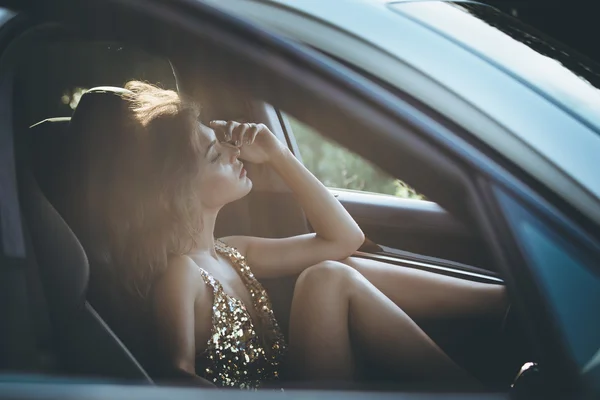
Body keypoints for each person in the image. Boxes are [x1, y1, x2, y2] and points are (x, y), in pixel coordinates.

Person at [69, 81, 491, 390]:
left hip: (294, 385)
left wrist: (279, 155)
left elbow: (345, 239)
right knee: (326, 278)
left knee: (336, 269)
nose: (234, 152)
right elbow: (173, 375)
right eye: (217, 155)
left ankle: (503, 307)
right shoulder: (182, 274)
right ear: (176, 193)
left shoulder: (231, 251)